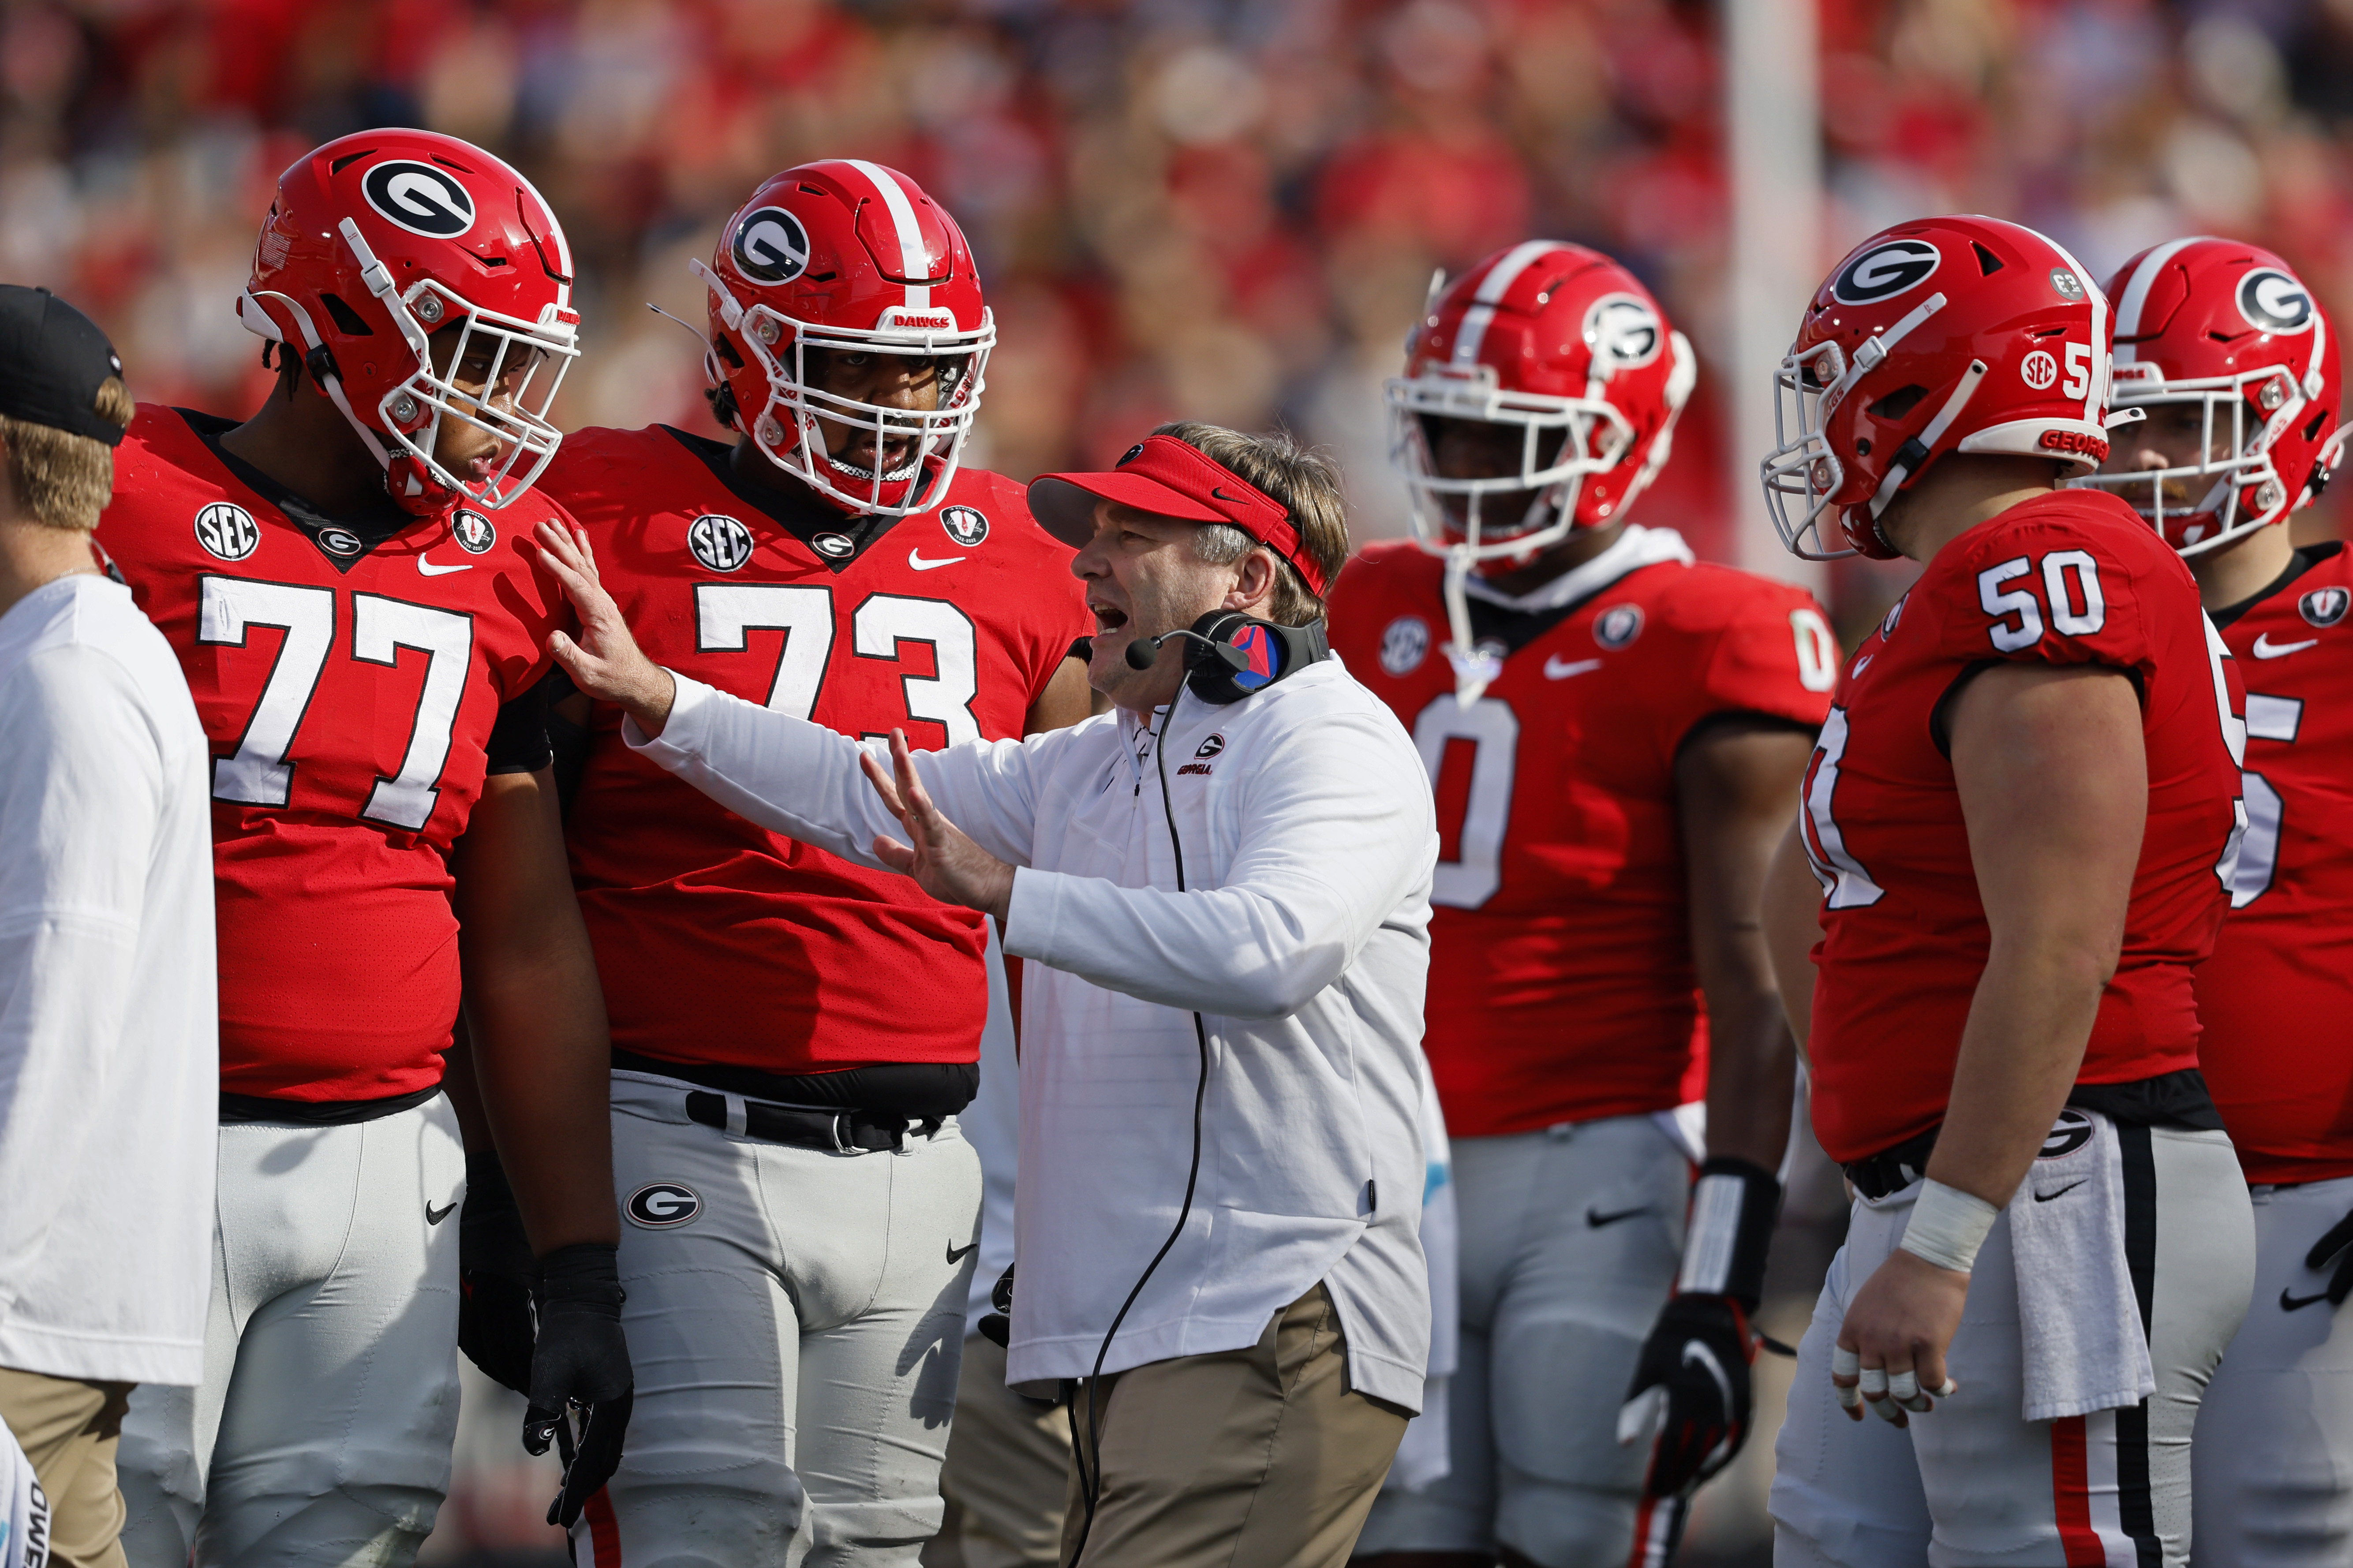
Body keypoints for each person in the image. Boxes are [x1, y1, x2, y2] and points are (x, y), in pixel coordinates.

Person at [537, 421, 1435, 1568]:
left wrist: (1013, 892)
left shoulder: (1332, 738)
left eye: (1132, 536)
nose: (1087, 563)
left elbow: (1272, 951)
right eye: (1091, 535)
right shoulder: (1103, 759)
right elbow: (860, 786)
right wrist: (661, 696)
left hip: (1276, 1307)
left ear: (1249, 578)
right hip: (1155, 1322)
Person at [533, 158, 1091, 1567]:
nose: (901, 410)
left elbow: (1083, 874)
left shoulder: (1026, 546)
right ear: (744, 353)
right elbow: (512, 865)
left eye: (928, 372)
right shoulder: (600, 497)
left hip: (928, 1155)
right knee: (697, 1524)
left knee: (879, 1544)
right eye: (857, 367)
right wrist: (533, 1211)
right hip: (672, 1123)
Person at [102, 130, 630, 1567]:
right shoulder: (115, 495)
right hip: (135, 1145)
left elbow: (521, 935)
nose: (502, 399)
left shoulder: (514, 560)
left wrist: (573, 1256)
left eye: (523, 357)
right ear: (333, 322)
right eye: (467, 344)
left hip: (387, 1173)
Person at [1758, 215, 2254, 1568]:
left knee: (2049, 1550)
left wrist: (1950, 1223)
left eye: (1842, 382)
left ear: (1928, 385)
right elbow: (1794, 899)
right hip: (1952, 1183)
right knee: (1831, 1532)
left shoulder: (2040, 572)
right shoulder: (1960, 588)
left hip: (2054, 1180)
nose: (1828, 424)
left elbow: (2057, 942)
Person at [1334, 241, 1833, 1568]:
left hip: (1602, 1168)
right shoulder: (1369, 594)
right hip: (1383, 1163)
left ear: (1617, 439)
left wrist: (1728, 1259)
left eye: (1503, 438)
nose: (1462, 464)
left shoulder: (1716, 632)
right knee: (1392, 1537)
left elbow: (1756, 982)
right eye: (1444, 427)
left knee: (1579, 1529)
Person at [2083, 236, 2353, 1564]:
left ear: (2292, 418)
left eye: (2184, 423)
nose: (2147, 464)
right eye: (2125, 428)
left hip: (2310, 1194)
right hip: (2083, 1188)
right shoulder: (2059, 626)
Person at [0, 286, 213, 1568]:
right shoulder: (82, 648)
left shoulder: (66, 673)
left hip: (23, 1306)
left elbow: (56, 1005)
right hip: (51, 1298)